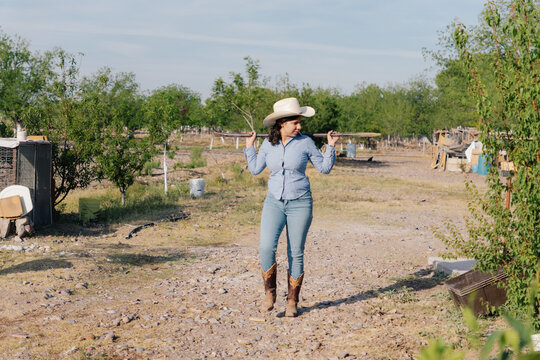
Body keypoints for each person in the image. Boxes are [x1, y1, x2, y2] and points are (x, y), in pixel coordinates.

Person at [244, 97, 338, 317]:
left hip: (300, 202)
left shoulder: (305, 143)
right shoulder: (268, 144)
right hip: (274, 202)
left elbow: (324, 168)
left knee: (295, 252)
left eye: (299, 122)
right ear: (281, 123)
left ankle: (292, 301)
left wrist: (331, 147)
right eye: (295, 122)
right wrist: (249, 148)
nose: (299, 126)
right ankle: (270, 294)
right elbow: (256, 169)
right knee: (266, 247)